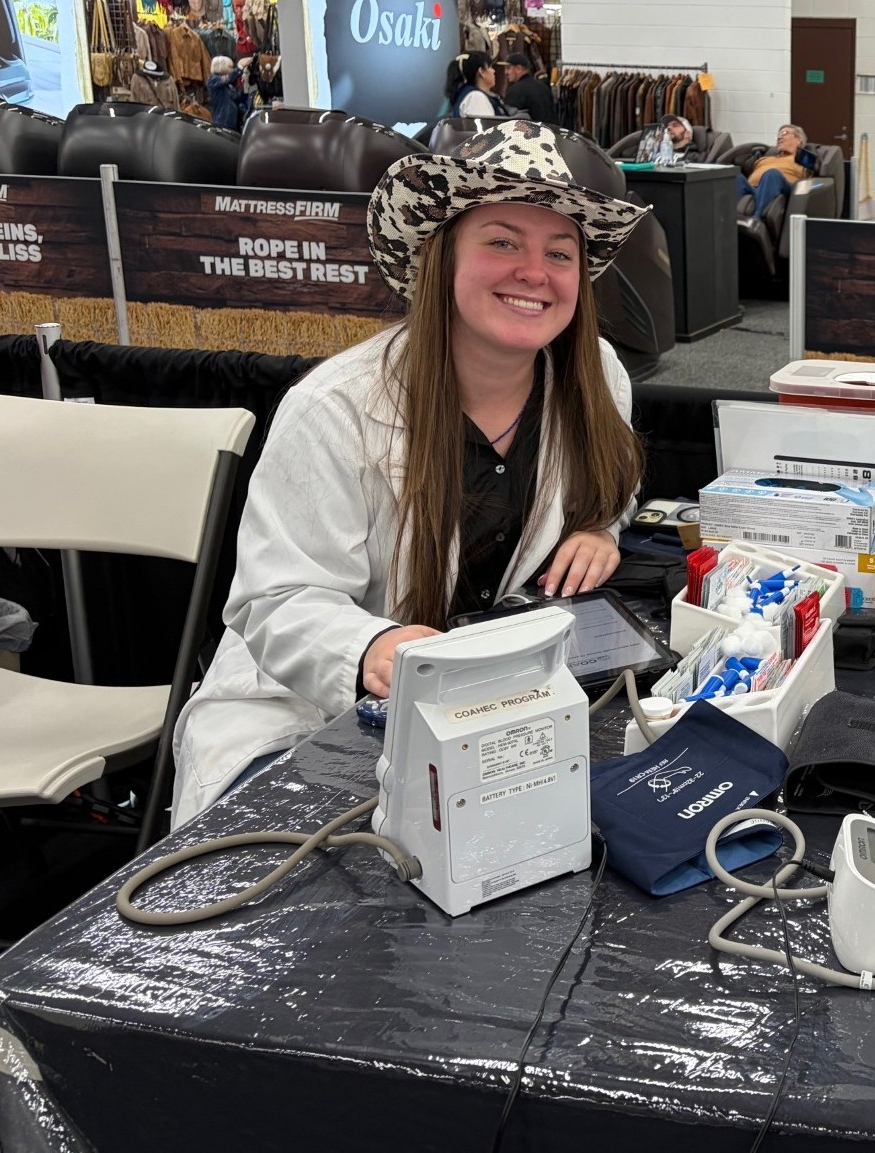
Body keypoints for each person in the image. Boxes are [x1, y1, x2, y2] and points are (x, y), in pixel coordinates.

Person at [171, 120, 650, 826]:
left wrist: (600, 526)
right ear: (439, 257)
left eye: (559, 252)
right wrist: (370, 647)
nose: (534, 272)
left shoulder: (595, 376)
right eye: (502, 242)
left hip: (481, 716)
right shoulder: (334, 409)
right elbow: (276, 602)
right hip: (306, 723)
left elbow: (615, 482)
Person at [736, 124, 818, 221]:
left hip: (785, 188)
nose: (779, 137)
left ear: (798, 140)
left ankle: (757, 220)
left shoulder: (804, 160)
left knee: (772, 174)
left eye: (784, 133)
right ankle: (725, 219)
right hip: (755, 189)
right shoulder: (766, 158)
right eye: (778, 135)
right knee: (733, 177)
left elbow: (811, 177)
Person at [447, 51, 508, 118]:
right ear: (481, 71)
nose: (493, 71)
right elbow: (486, 127)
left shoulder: (468, 94)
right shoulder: (476, 98)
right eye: (490, 67)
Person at [502, 52, 556, 123]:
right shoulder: (543, 87)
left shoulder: (515, 91)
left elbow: (508, 122)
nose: (506, 72)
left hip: (530, 132)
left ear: (518, 69)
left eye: (508, 68)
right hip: (549, 131)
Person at [205, 54, 251, 131]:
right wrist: (240, 67)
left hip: (233, 123)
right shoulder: (213, 80)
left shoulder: (229, 86)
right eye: (230, 67)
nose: (232, 69)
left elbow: (238, 99)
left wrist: (246, 86)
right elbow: (228, 78)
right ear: (221, 67)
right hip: (222, 123)